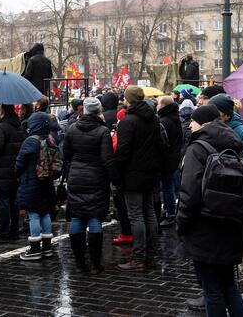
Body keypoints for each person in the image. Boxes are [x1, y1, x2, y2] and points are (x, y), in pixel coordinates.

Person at [176, 105, 243, 317]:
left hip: (204, 227)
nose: (190, 124)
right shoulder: (233, 142)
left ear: (203, 123)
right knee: (228, 285)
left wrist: (181, 225)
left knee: (211, 289)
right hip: (231, 224)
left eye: (193, 120)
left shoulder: (197, 148)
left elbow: (189, 194)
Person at [62, 97, 116, 273]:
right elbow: (107, 159)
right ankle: (95, 263)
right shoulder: (102, 131)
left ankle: (79, 263)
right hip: (96, 178)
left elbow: (67, 153)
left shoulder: (72, 129)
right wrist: (115, 180)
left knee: (77, 217)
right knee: (94, 218)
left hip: (76, 176)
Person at [113, 86, 163, 272]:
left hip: (133, 174)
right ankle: (150, 255)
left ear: (129, 99)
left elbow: (123, 150)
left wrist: (117, 171)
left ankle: (139, 257)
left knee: (136, 215)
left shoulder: (128, 121)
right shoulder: (154, 119)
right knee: (149, 213)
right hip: (150, 173)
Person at [17, 112, 59, 261]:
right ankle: (47, 248)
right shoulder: (50, 138)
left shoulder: (30, 141)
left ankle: (35, 249)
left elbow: (20, 163)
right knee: (45, 213)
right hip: (47, 182)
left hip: (31, 183)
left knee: (33, 214)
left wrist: (17, 174)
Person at [0, 104, 25, 243]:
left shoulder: (2, 127)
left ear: (2, 110)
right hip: (14, 169)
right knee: (13, 202)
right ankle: (14, 231)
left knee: (2, 201)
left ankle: (3, 233)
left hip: (2, 170)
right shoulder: (18, 125)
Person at [157, 96, 183, 228]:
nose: (157, 106)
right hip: (173, 157)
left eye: (158, 104)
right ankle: (168, 211)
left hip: (166, 158)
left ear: (163, 106)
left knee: (167, 187)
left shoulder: (163, 121)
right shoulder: (176, 118)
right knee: (169, 185)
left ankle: (170, 213)